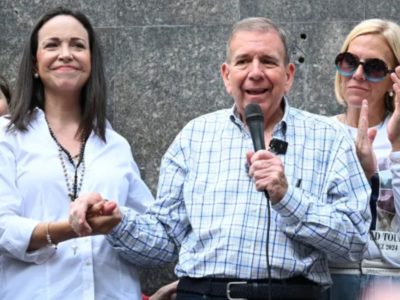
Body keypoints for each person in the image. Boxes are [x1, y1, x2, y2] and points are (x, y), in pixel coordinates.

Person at [69, 17, 372, 300]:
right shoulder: (194, 136)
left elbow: (355, 244)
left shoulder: (330, 140)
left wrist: (287, 198)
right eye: (243, 61)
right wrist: (116, 221)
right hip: (204, 293)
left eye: (268, 61)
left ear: (288, 75)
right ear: (227, 76)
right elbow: (164, 240)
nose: (255, 72)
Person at [0, 7, 155, 300]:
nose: (66, 53)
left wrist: (118, 220)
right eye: (52, 44)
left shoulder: (116, 145)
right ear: (35, 64)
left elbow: (151, 229)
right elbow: (2, 228)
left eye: (78, 45)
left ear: (91, 61)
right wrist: (71, 229)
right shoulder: (6, 136)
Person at [324, 19, 400, 300]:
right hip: (329, 280)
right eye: (348, 61)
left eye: (374, 67)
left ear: (395, 80)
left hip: (391, 282)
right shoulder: (317, 133)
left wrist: (395, 148)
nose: (357, 74)